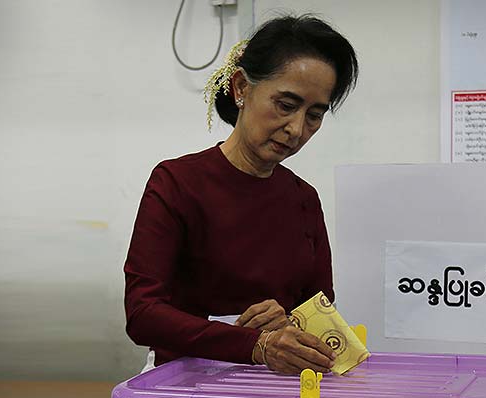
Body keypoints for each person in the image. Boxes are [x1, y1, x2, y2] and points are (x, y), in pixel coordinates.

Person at [123, 14, 358, 376]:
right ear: (241, 88)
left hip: (270, 382)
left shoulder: (303, 198)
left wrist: (291, 321)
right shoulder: (176, 182)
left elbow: (320, 310)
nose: (296, 129)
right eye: (285, 104)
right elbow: (142, 315)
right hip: (185, 378)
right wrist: (255, 345)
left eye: (314, 115)